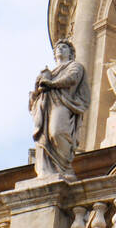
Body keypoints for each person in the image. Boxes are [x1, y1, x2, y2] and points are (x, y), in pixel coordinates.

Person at [29, 40, 90, 179]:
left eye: (64, 47)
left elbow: (72, 78)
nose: (60, 50)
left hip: (63, 103)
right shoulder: (49, 72)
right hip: (47, 104)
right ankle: (48, 170)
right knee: (44, 137)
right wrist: (37, 86)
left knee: (57, 132)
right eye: (58, 48)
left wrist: (52, 83)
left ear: (71, 53)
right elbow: (36, 94)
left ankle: (64, 167)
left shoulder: (75, 66)